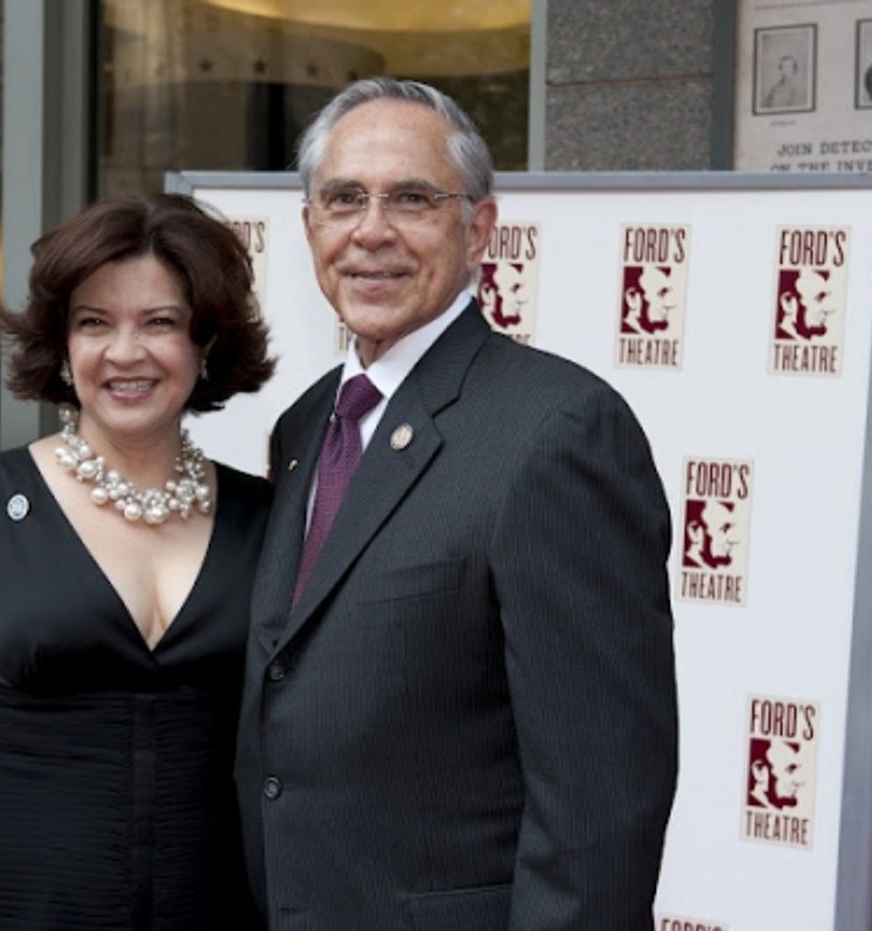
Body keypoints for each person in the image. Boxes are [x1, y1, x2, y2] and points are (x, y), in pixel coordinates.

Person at [235, 78, 677, 929]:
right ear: (309, 228)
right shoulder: (301, 427)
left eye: (411, 199)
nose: (371, 231)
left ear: (478, 229)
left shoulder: (559, 431)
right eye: (343, 200)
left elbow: (599, 802)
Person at [0, 193, 275, 929]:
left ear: (206, 341)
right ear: (62, 344)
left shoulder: (266, 517)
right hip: (10, 908)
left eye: (160, 321)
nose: (126, 352)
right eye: (95, 322)